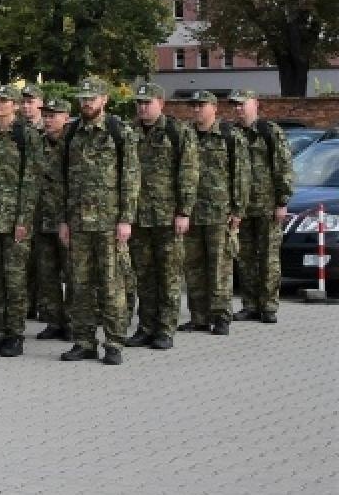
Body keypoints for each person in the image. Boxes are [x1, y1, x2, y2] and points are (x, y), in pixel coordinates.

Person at [57, 77, 139, 364]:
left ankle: (114, 342)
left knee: (112, 284)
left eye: (92, 98)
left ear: (104, 99)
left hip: (109, 222)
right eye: (83, 98)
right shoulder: (70, 133)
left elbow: (130, 177)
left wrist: (126, 219)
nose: (86, 103)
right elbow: (62, 180)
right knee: (78, 284)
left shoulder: (119, 131)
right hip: (78, 222)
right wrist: (63, 220)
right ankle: (84, 341)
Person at [125, 83, 199, 350]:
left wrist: (183, 211)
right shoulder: (129, 132)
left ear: (161, 102)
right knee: (143, 274)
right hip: (138, 216)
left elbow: (188, 174)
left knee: (168, 274)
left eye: (147, 102)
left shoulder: (177, 132)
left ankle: (165, 328)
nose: (142, 107)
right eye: (139, 103)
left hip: (167, 216)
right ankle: (145, 326)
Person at [0, 86, 44, 358]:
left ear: (15, 105)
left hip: (14, 219)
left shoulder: (25, 136)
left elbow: (32, 180)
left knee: (14, 281)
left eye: (4, 101)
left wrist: (23, 219)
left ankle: (15, 334)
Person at [182, 91, 248, 335]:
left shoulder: (229, 136)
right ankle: (198, 317)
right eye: (194, 106)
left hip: (220, 212)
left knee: (220, 267)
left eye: (201, 106)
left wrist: (238, 208)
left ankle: (221, 316)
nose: (196, 110)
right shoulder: (186, 134)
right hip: (192, 211)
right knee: (193, 267)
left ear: (214, 108)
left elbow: (241, 174)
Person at [228, 90, 294, 323]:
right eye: (235, 106)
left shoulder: (269, 132)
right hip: (242, 207)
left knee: (268, 257)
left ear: (255, 104)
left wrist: (282, 201)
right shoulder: (232, 133)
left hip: (267, 205)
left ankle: (268, 306)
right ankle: (250, 304)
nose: (238, 109)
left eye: (242, 104)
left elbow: (283, 167)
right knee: (245, 258)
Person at [31, 98, 74, 340]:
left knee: (73, 274)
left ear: (66, 117)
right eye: (45, 115)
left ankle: (72, 322)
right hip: (42, 218)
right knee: (47, 275)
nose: (48, 120)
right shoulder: (37, 143)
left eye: (53, 115)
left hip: (67, 220)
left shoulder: (74, 143)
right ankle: (54, 321)